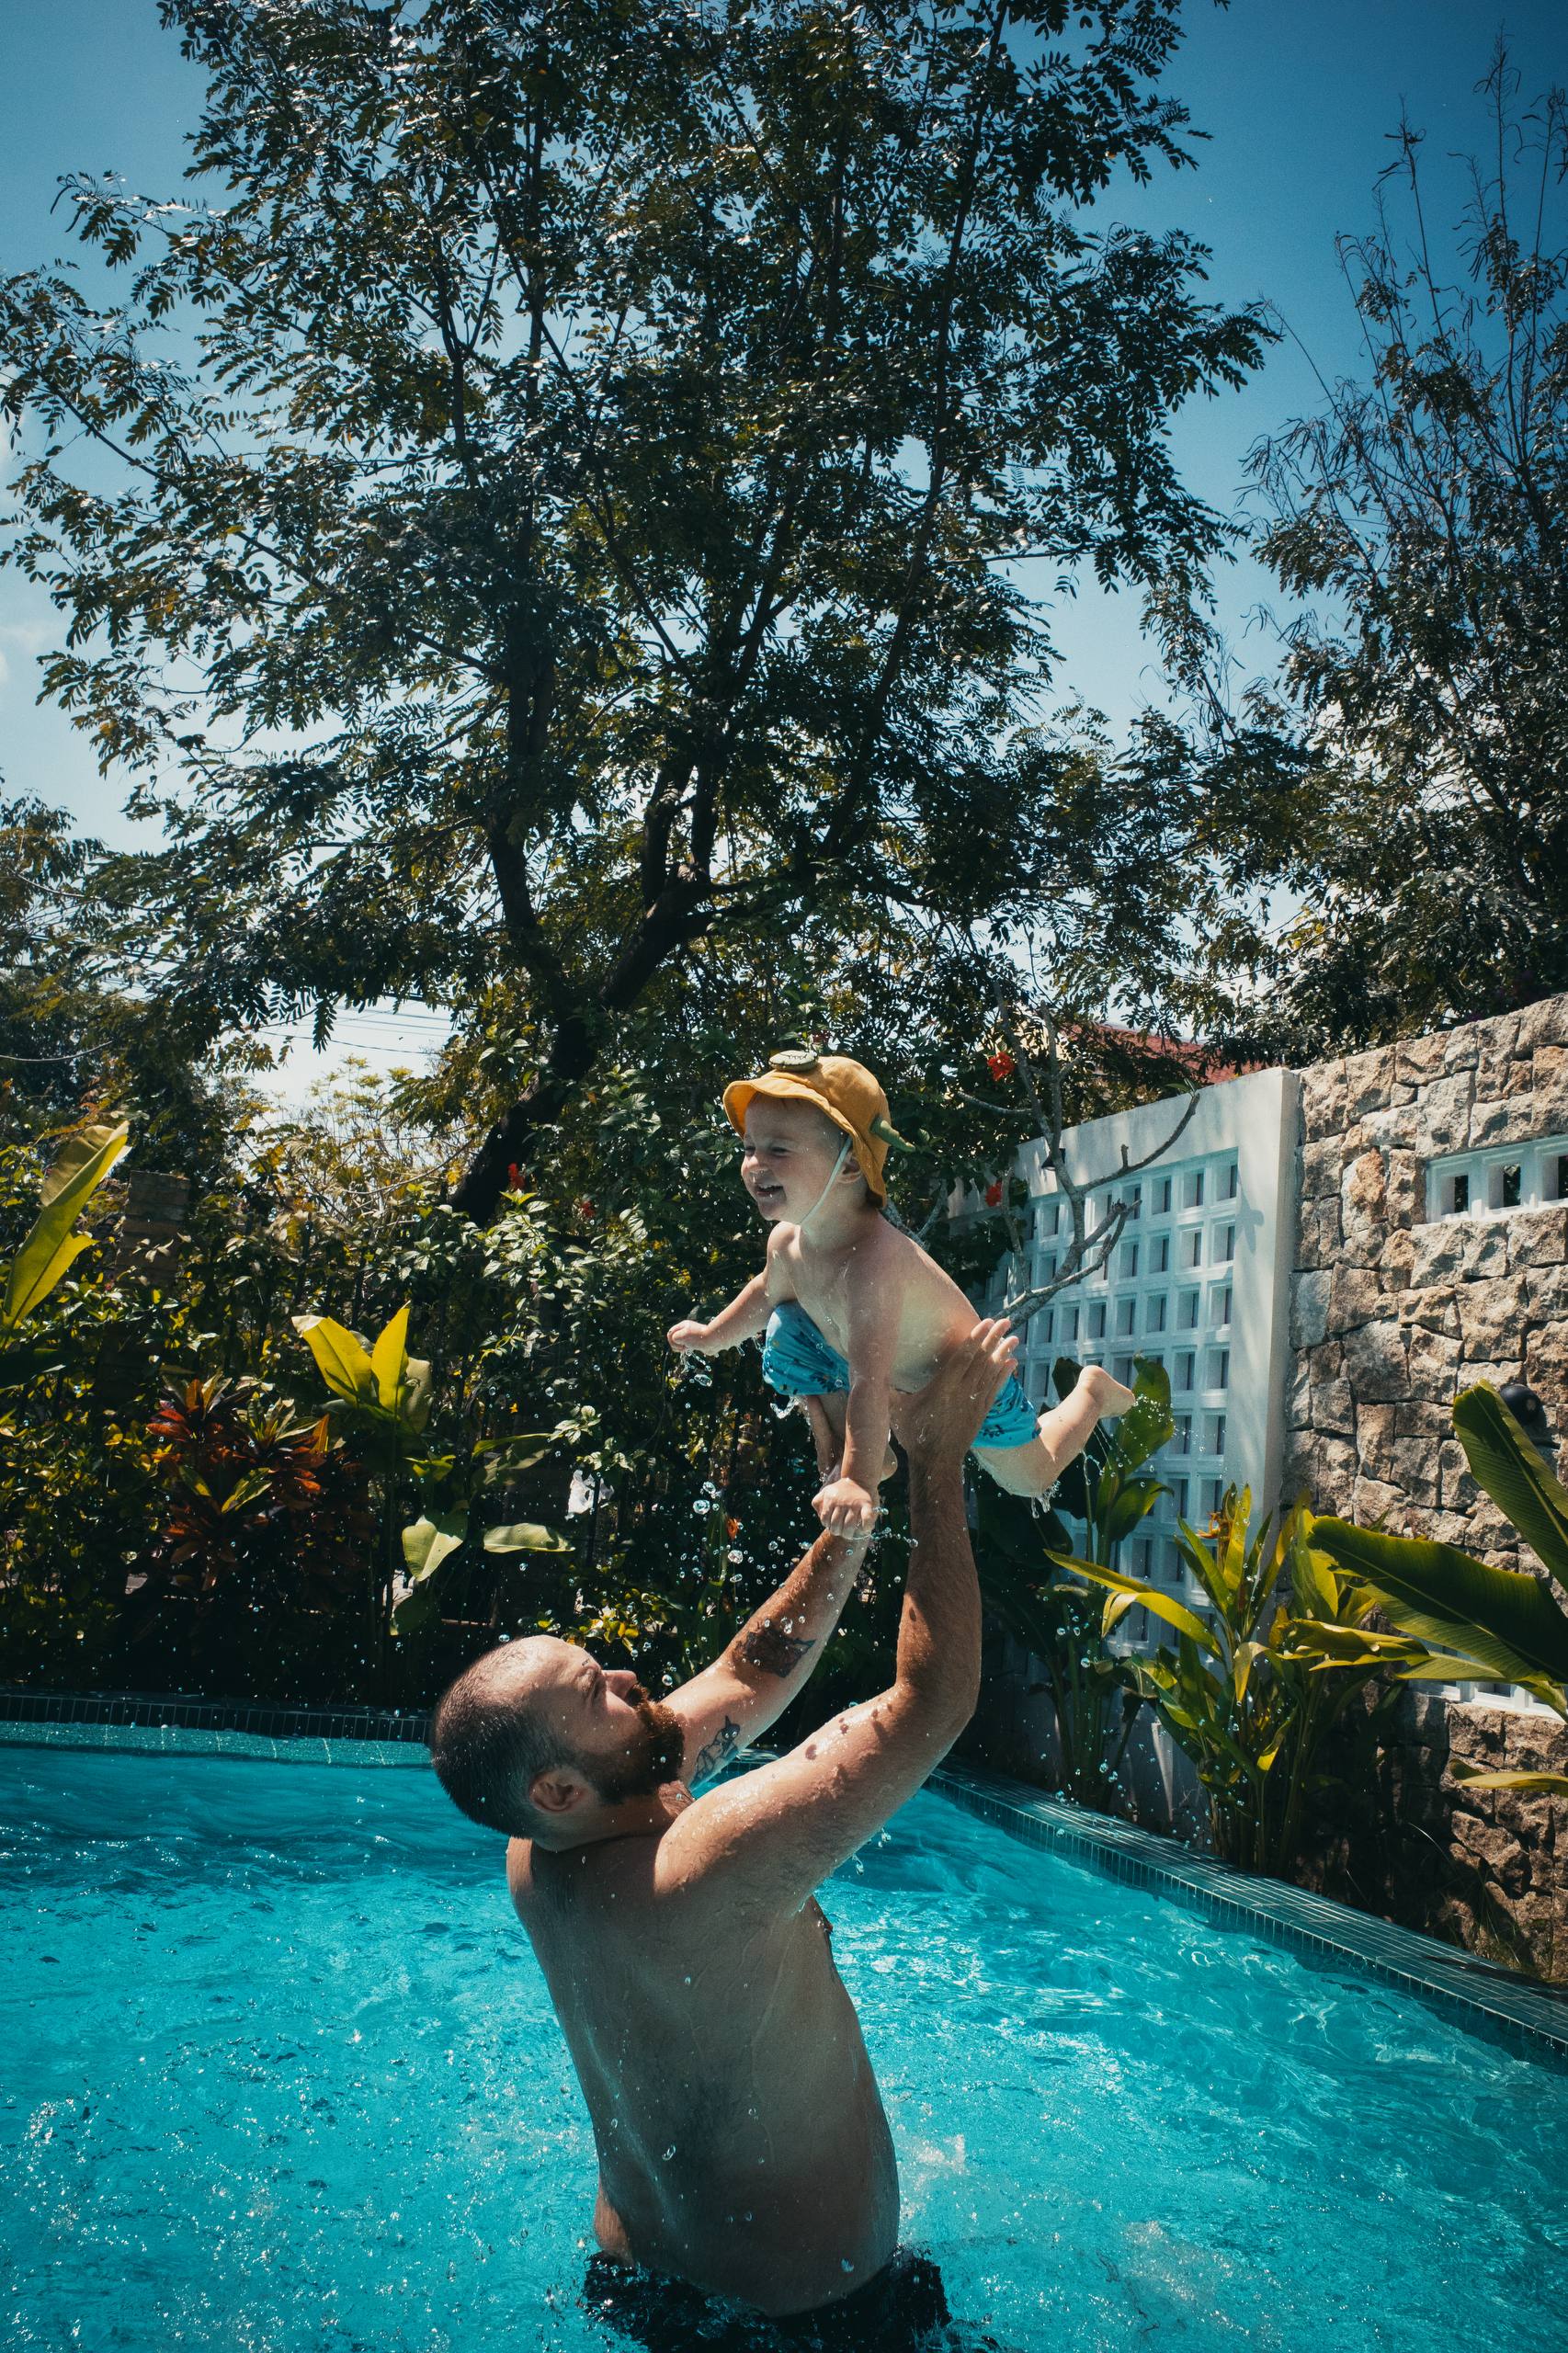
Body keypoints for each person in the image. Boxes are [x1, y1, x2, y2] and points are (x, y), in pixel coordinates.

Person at [426, 1318, 1021, 2345]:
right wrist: (938, 1465)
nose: (627, 1678)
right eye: (597, 1692)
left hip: (641, 2282)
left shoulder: (541, 1848)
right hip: (806, 2323)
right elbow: (930, 1705)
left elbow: (747, 1676)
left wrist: (852, 1512)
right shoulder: (703, 1865)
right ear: (561, 1787)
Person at [667, 1048, 1133, 1535]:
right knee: (789, 1328)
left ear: (850, 1166)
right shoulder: (787, 1243)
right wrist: (713, 1336)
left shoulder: (874, 1264)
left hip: (966, 1380)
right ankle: (863, 1456)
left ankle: (1092, 1391)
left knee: (1029, 1477)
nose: (755, 1164)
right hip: (888, 1379)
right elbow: (767, 1292)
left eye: (778, 1150)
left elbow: (868, 1380)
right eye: (749, 1148)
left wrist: (859, 1483)